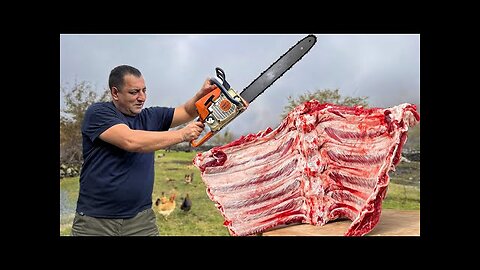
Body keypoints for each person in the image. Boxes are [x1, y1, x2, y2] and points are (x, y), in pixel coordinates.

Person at [71, 65, 215, 236]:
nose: (142, 97)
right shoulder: (98, 113)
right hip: (96, 222)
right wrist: (182, 134)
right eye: (134, 92)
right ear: (115, 93)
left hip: (141, 221)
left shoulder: (151, 116)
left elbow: (185, 110)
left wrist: (201, 95)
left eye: (144, 91)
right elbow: (130, 140)